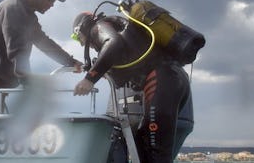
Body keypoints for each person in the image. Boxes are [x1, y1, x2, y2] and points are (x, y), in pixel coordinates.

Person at [72, 11, 197, 163]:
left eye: (78, 38)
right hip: (172, 79)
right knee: (144, 141)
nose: (82, 43)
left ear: (82, 28)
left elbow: (113, 43)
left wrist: (89, 79)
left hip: (161, 79)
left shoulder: (98, 27)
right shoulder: (121, 29)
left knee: (155, 153)